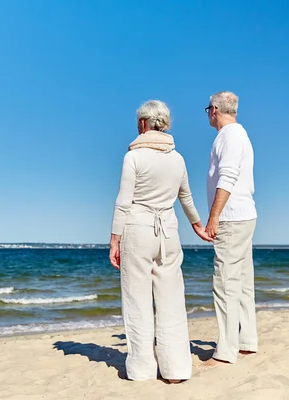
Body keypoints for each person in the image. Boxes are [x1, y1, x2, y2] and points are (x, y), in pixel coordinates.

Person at [109, 100, 212, 383]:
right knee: (171, 301)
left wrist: (114, 239)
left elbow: (123, 201)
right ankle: (176, 370)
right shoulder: (177, 158)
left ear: (143, 123)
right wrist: (197, 225)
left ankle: (142, 370)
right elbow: (186, 197)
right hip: (168, 231)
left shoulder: (134, 157)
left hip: (138, 228)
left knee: (137, 301)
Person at [202, 91, 258, 367]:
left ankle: (226, 350)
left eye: (206, 109)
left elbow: (228, 177)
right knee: (242, 280)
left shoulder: (230, 136)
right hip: (243, 215)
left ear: (214, 109)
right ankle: (247, 341)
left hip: (233, 217)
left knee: (224, 282)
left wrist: (214, 217)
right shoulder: (238, 134)